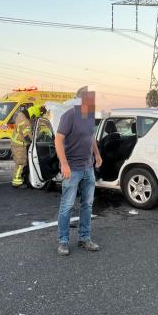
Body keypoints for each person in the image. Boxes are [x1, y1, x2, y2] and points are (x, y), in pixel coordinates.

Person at [55, 88, 102, 256]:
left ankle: (84, 238)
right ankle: (63, 241)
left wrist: (97, 154)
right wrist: (64, 164)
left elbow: (91, 137)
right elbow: (58, 139)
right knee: (67, 206)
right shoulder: (69, 116)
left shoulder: (89, 116)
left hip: (87, 167)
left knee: (87, 205)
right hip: (72, 168)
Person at [10, 106, 32, 189]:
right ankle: (17, 182)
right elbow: (27, 136)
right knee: (20, 163)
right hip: (20, 145)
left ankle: (19, 179)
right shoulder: (25, 121)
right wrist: (33, 142)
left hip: (16, 143)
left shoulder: (20, 116)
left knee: (19, 163)